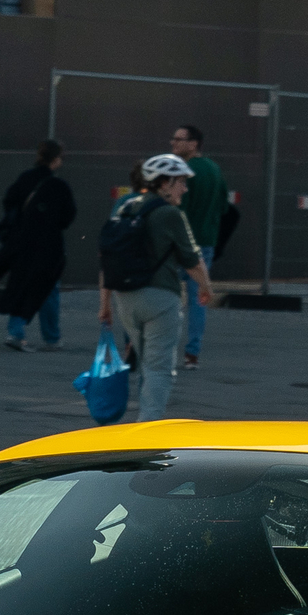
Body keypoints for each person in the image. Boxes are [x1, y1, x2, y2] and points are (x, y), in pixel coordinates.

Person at [97, 152, 213, 423]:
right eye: (181, 181)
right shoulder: (170, 214)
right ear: (164, 183)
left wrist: (104, 303)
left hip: (126, 298)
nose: (184, 188)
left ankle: (142, 417)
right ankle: (149, 427)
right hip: (161, 298)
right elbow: (192, 260)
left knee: (146, 364)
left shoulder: (126, 207)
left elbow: (107, 257)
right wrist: (206, 287)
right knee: (159, 368)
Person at [0, 140, 77, 353]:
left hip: (23, 242)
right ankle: (52, 337)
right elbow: (68, 215)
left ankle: (15, 332)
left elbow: (9, 201)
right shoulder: (58, 186)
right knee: (49, 290)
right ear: (56, 160)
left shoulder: (24, 179)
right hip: (49, 244)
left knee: (22, 285)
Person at [171, 125, 226, 368]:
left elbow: (178, 208)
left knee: (166, 295)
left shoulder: (184, 170)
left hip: (180, 243)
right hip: (205, 242)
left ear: (194, 143)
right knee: (198, 298)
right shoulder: (215, 169)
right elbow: (223, 206)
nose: (173, 143)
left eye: (179, 139)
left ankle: (160, 346)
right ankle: (192, 353)